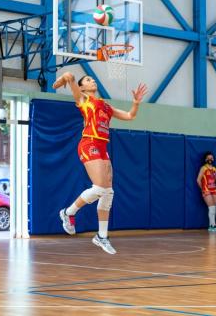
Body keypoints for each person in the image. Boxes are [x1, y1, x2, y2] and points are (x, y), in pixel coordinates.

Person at [52, 72, 147, 254]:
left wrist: (135, 103)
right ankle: (68, 212)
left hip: (103, 147)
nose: (92, 80)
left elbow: (129, 116)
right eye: (88, 79)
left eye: (93, 78)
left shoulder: (105, 105)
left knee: (108, 192)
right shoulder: (83, 99)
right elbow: (69, 77)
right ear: (82, 88)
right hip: (89, 143)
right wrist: (63, 80)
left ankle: (102, 236)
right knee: (100, 187)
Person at [196, 152, 216, 233]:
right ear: (206, 159)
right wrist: (202, 189)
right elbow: (198, 180)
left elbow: (214, 180)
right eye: (208, 158)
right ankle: (214, 225)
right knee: (211, 208)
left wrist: (215, 188)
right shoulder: (203, 168)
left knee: (214, 208)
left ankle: (211, 226)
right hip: (206, 190)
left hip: (214, 189)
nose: (210, 159)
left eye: (212, 158)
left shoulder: (214, 169)